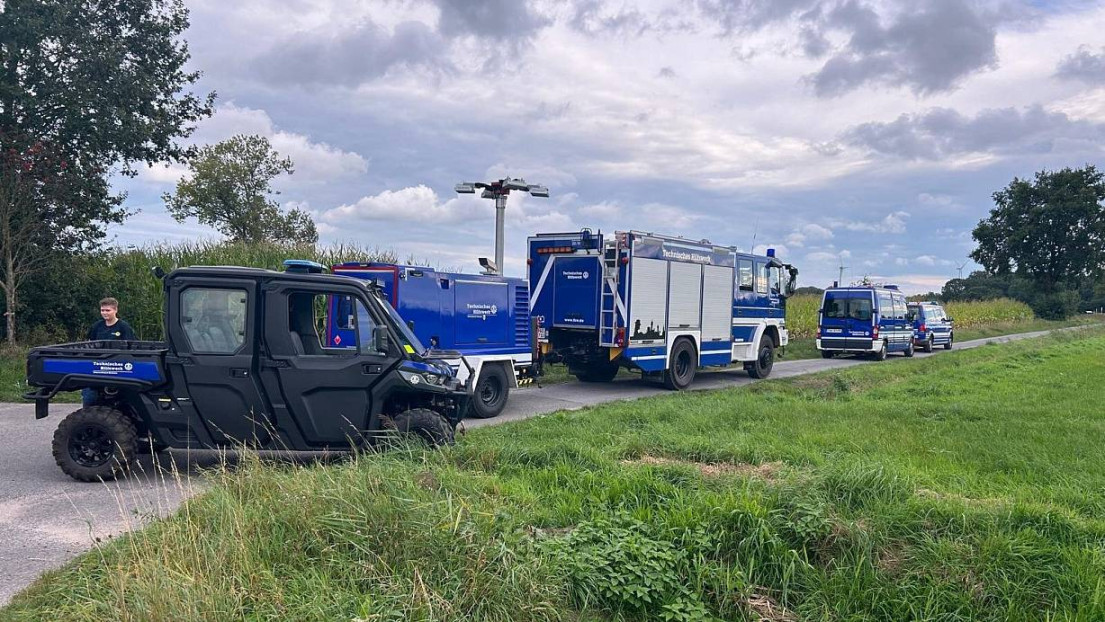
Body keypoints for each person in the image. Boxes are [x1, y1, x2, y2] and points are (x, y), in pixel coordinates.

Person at [83, 297, 136, 407]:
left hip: (116, 366)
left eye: (108, 310)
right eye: (102, 310)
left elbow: (131, 346)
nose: (104, 313)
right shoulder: (97, 326)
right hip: (97, 366)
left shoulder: (123, 327)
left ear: (115, 310)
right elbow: (90, 343)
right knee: (90, 396)